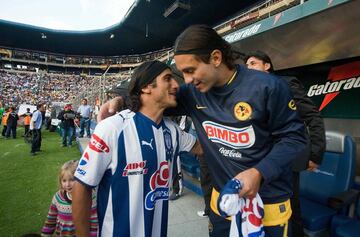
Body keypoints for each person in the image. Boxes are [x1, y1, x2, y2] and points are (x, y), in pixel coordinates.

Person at [98, 25, 307, 237]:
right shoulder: (192, 93)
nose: (187, 81)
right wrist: (120, 101)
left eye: (190, 70)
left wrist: (258, 173)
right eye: (183, 74)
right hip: (223, 203)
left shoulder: (268, 87)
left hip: (268, 206)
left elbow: (295, 138)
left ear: (216, 58)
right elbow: (153, 99)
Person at [72, 60, 202, 237]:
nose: (176, 84)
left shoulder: (173, 131)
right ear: (147, 87)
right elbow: (82, 186)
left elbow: (203, 148)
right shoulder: (112, 128)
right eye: (168, 78)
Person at [245, 50, 326, 237]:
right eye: (247, 65)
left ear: (267, 66)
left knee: (290, 206)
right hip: (261, 159)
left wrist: (315, 154)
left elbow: (313, 116)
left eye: (253, 63)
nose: (249, 68)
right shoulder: (249, 91)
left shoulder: (286, 84)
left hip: (287, 158)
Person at [41, 160, 97, 236]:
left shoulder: (90, 197)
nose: (67, 184)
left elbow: (94, 222)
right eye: (64, 180)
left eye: (72, 180)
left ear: (81, 178)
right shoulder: (58, 197)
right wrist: (45, 235)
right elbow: (51, 218)